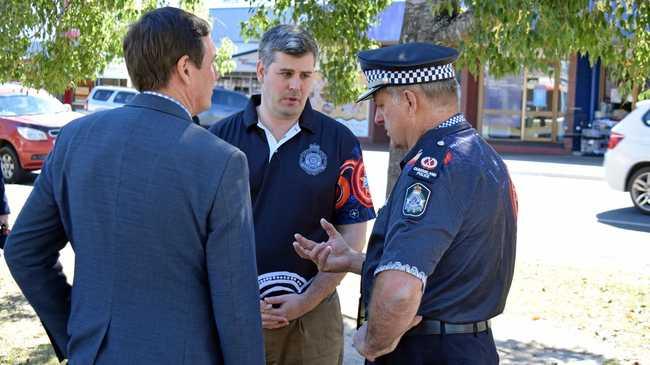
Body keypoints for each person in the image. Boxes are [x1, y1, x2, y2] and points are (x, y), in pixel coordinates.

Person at [3, 7, 264, 364]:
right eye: (213, 63)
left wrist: (77, 335)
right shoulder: (220, 161)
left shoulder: (75, 139)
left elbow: (23, 250)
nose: (217, 75)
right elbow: (236, 304)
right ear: (186, 69)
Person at [293, 42, 518, 364]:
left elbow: (400, 289)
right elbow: (447, 267)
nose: (380, 118)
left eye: (382, 105)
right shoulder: (480, 154)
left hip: (427, 352)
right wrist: (355, 261)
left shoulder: (436, 166)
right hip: (469, 345)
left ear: (410, 101)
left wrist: (371, 342)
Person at [210, 24, 376, 365]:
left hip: (312, 321)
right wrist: (236, 301)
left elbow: (352, 234)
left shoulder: (339, 141)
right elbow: (199, 234)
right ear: (260, 70)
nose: (296, 86)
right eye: (285, 73)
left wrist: (308, 299)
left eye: (305, 75)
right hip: (233, 317)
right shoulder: (217, 140)